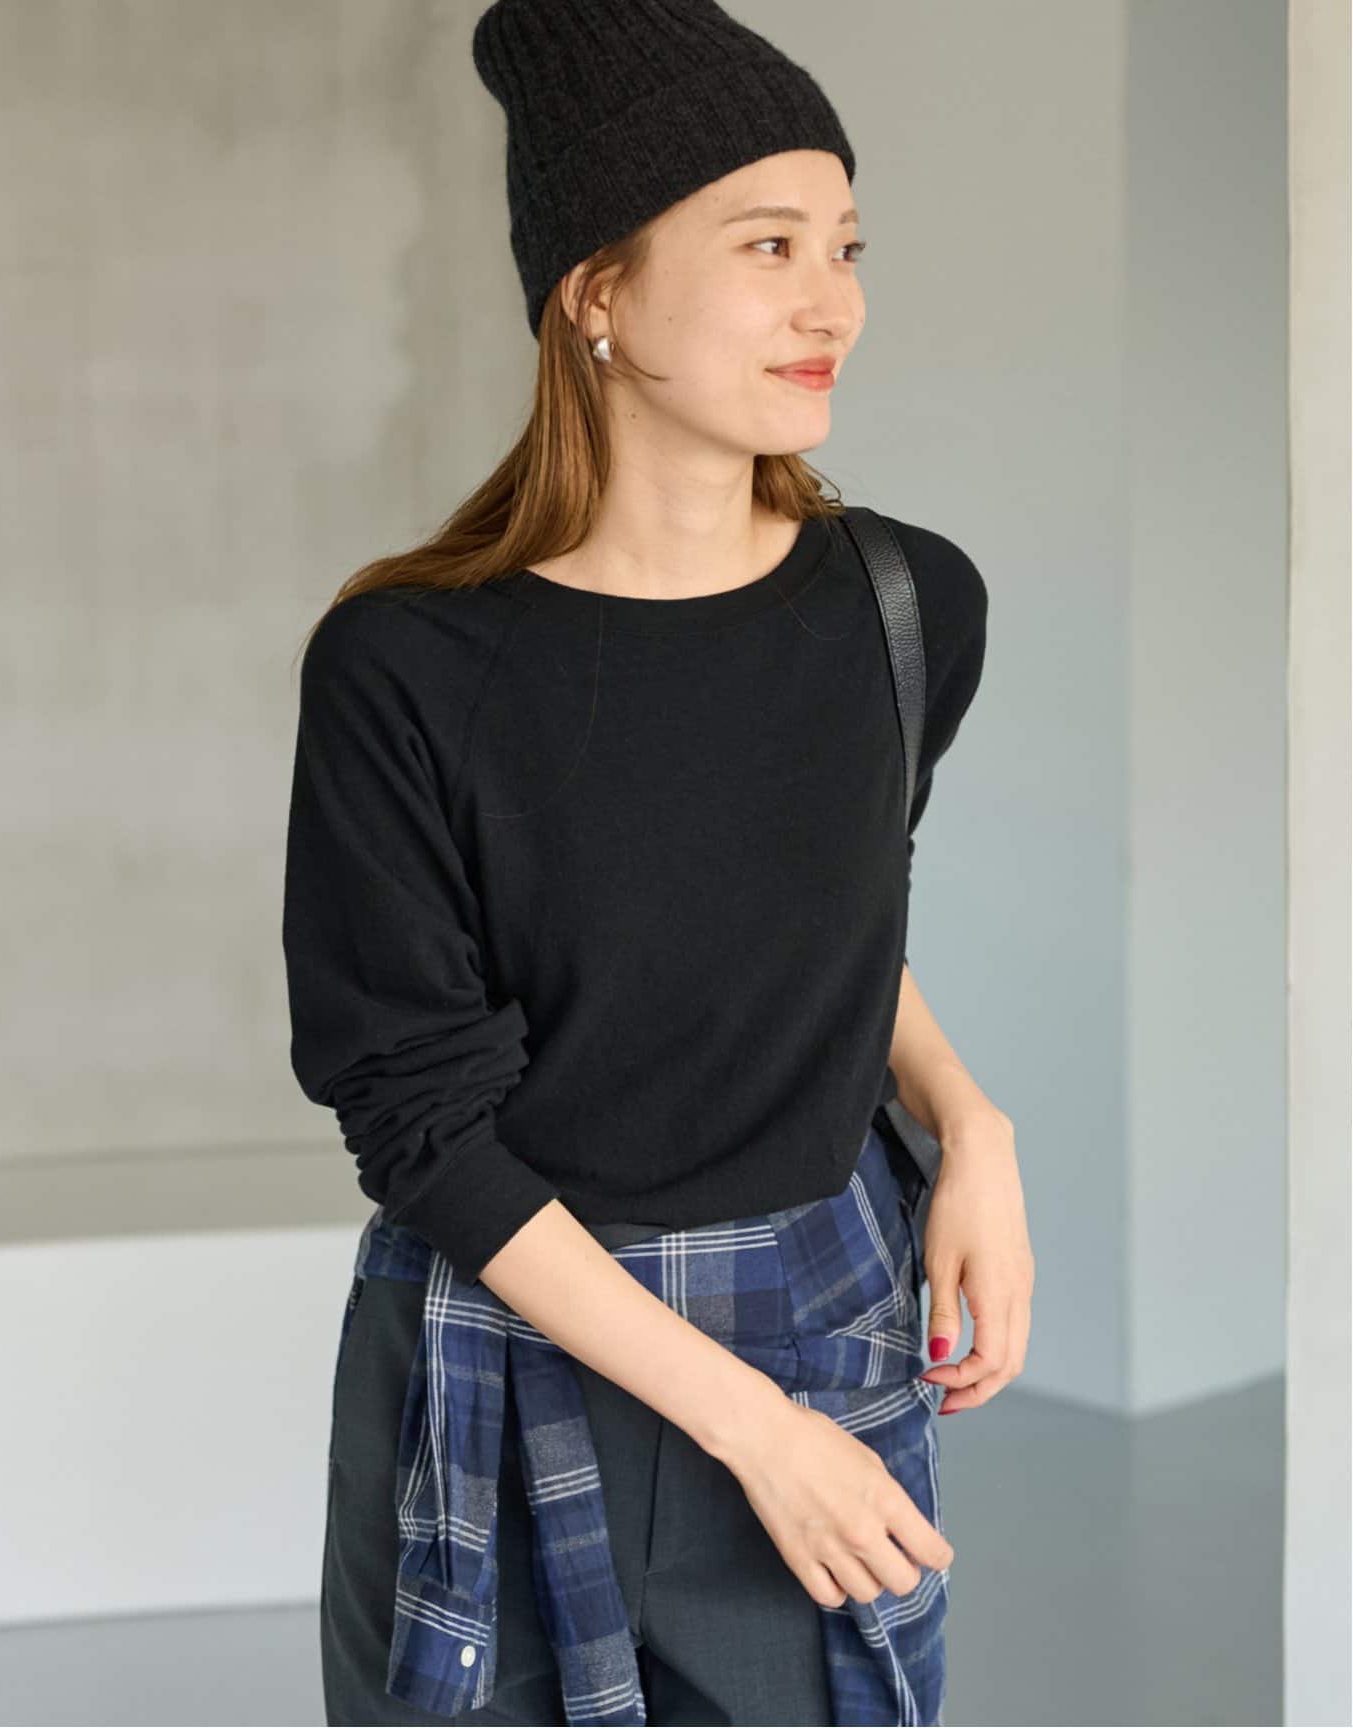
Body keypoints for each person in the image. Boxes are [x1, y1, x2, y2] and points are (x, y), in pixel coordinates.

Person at [281, 2, 1034, 1723]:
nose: (832, 303)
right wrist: (751, 1430)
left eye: (845, 246)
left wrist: (970, 1120)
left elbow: (821, 923)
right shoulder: (407, 667)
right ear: (596, 292)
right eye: (768, 244)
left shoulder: (907, 608)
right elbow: (418, 1121)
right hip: (507, 1335)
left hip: (820, 1309)